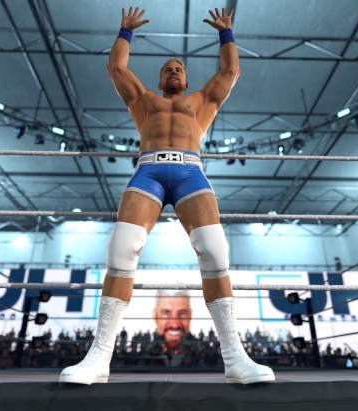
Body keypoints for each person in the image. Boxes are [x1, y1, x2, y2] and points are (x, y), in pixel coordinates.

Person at [60, 6, 273, 385]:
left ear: (186, 79)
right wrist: (125, 30)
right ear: (160, 80)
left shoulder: (201, 102)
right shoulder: (145, 102)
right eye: (168, 69)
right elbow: (116, 68)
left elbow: (230, 71)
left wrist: (226, 33)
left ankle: (235, 359)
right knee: (121, 249)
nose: (174, 71)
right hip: (149, 171)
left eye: (179, 69)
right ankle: (99, 358)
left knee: (215, 251)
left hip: (190, 172)